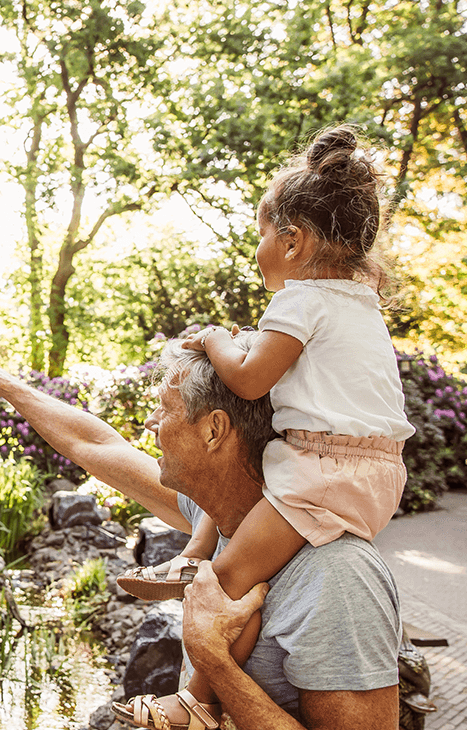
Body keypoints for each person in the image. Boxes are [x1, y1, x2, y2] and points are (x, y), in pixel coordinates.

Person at [110, 125, 414, 728]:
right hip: (374, 469)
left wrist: (220, 340)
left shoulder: (301, 300)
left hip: (322, 468)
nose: (259, 250)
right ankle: (190, 562)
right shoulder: (359, 302)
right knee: (233, 551)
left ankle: (198, 701)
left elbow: (249, 381)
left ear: (294, 241)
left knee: (225, 581)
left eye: (261, 235)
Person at [0, 336, 401, 730]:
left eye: (163, 410)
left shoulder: (337, 574)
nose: (149, 424)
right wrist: (0, 382)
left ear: (214, 431)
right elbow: (95, 444)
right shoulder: (216, 515)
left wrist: (214, 661)